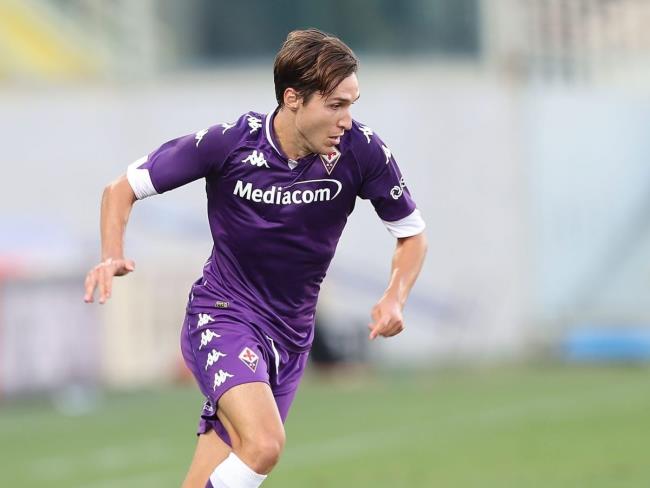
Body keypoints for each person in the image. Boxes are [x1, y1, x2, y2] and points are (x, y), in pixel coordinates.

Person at [84, 28, 427, 488]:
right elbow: (120, 189)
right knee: (264, 445)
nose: (347, 120)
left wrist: (395, 297)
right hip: (224, 315)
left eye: (352, 104)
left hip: (291, 337)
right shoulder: (229, 145)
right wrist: (111, 255)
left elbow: (411, 234)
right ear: (293, 99)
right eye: (336, 105)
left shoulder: (362, 151)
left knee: (217, 473)